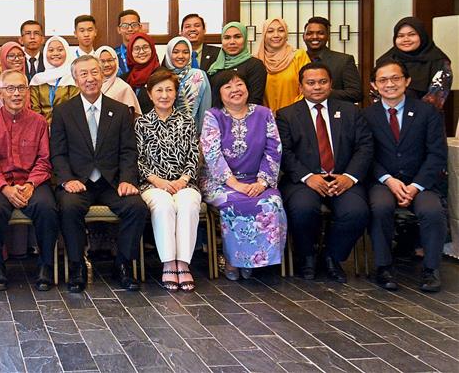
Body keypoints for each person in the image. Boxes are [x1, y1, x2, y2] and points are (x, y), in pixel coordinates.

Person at [51, 55, 148, 293]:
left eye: (94, 72)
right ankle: (77, 266)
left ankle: (123, 265)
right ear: (75, 79)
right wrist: (67, 180)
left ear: (103, 75)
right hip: (78, 181)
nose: (90, 78)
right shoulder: (63, 112)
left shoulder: (120, 110)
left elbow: (128, 151)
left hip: (111, 182)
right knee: (69, 207)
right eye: (83, 74)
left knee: (136, 207)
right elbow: (58, 153)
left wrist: (127, 180)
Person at [276, 63, 373, 282]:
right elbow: (284, 152)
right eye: (311, 83)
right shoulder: (286, 115)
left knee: (356, 211)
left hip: (343, 178)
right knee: (302, 209)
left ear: (331, 84)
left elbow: (365, 147)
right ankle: (307, 257)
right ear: (301, 87)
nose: (317, 87)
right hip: (303, 181)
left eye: (322, 82)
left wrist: (349, 177)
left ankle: (332, 256)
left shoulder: (351, 111)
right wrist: (308, 177)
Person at [363, 60, 447, 293]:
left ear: (407, 81)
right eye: (383, 80)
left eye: (395, 78)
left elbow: (437, 154)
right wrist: (388, 179)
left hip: (421, 182)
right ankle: (383, 267)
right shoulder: (366, 115)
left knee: (432, 211)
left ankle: (431, 269)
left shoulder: (427, 112)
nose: (389, 84)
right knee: (380, 208)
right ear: (374, 85)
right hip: (383, 181)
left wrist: (416, 185)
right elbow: (365, 155)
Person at [200, 70, 286, 280]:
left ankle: (254, 261)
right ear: (219, 92)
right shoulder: (213, 116)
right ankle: (233, 260)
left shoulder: (264, 113)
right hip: (220, 182)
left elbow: (274, 149)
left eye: (239, 84)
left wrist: (262, 182)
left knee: (272, 203)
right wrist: (234, 184)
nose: (235, 90)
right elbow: (212, 154)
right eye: (228, 86)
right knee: (235, 202)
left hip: (258, 180)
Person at [0, 69, 58, 292]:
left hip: (32, 181)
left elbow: (44, 160)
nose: (16, 94)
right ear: (1, 93)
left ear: (28, 91)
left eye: (21, 88)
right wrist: (5, 188)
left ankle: (45, 267)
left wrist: (31, 184)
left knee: (47, 207)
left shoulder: (39, 122)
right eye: (10, 88)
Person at [135, 69, 202, 292]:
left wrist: (183, 180)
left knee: (188, 204)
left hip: (184, 183)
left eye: (169, 90)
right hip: (152, 185)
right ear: (149, 94)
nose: (164, 95)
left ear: (176, 93)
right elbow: (137, 159)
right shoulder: (141, 123)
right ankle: (168, 263)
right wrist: (158, 181)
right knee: (163, 205)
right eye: (159, 90)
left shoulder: (187, 121)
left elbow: (194, 155)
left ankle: (183, 263)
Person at [375, 17, 453, 112]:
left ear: (422, 36)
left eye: (411, 34)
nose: (406, 39)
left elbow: (436, 98)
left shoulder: (438, 61)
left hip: (426, 116)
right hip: (388, 115)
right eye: (400, 36)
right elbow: (377, 92)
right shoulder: (386, 60)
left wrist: (409, 116)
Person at [302, 16, 363, 104]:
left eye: (320, 33)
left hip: (334, 110)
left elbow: (356, 93)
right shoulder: (297, 59)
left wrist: (325, 92)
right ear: (303, 37)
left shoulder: (343, 61)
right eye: (309, 33)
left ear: (328, 36)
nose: (314, 37)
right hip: (300, 110)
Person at [256, 18, 310, 112]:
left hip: (294, 114)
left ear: (286, 34)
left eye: (281, 30)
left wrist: (289, 113)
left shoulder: (299, 56)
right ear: (264, 35)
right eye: (270, 31)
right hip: (264, 117)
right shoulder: (256, 60)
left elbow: (308, 87)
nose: (276, 35)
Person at [207, 22, 267, 107]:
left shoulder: (255, 65)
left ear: (245, 39)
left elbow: (255, 100)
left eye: (237, 37)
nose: (232, 42)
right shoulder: (215, 66)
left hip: (246, 114)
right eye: (227, 38)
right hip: (216, 113)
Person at [163, 36, 211, 129]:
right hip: (165, 132)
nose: (181, 56)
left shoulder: (198, 75)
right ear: (169, 54)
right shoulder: (162, 77)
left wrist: (203, 132)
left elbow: (205, 107)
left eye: (185, 52)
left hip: (193, 131)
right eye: (175, 52)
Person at [29, 36, 79, 123]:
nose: (55, 53)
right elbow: (34, 108)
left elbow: (74, 108)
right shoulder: (37, 80)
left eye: (60, 50)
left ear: (67, 52)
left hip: (67, 126)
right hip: (40, 126)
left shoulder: (73, 78)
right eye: (51, 50)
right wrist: (43, 126)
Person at [95, 46, 140, 115]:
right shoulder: (92, 86)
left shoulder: (124, 88)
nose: (106, 65)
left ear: (116, 61)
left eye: (110, 60)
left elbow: (131, 115)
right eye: (102, 61)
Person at [123, 32, 159, 114]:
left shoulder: (161, 76)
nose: (142, 52)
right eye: (136, 49)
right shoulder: (124, 79)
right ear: (130, 52)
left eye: (145, 47)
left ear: (152, 49)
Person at [0, 41, 25, 111]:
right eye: (11, 56)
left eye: (20, 55)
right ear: (3, 58)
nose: (17, 59)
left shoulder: (24, 79)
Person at [114, 9, 141, 77]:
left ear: (140, 28)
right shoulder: (113, 55)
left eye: (134, 25)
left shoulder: (147, 53)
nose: (130, 29)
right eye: (125, 25)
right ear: (119, 30)